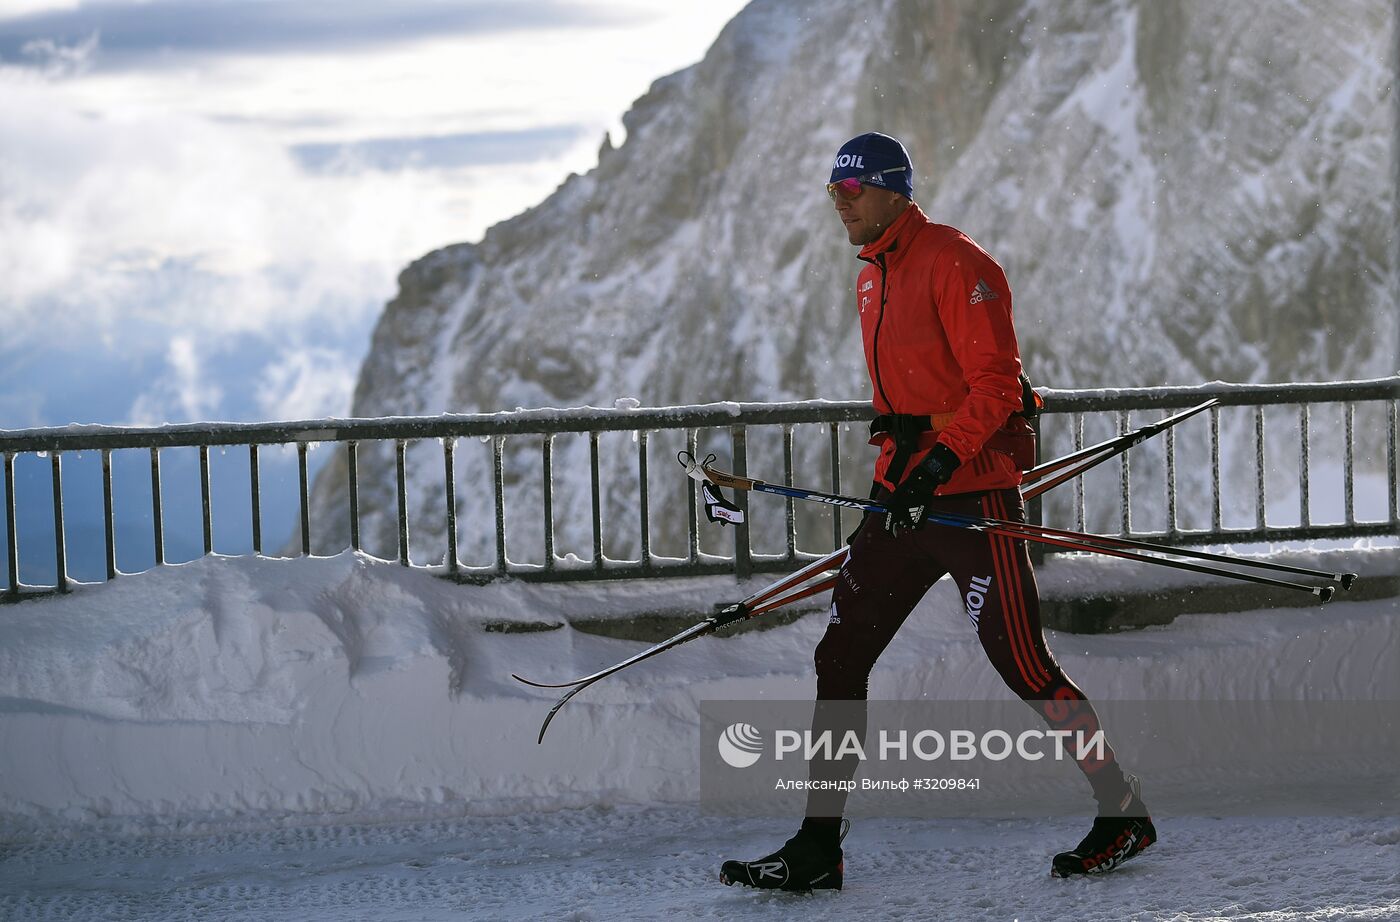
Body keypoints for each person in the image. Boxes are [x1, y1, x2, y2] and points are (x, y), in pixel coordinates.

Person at [720, 132, 1155, 891]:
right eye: (832, 191)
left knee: (1022, 662)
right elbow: (908, 398)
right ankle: (819, 847)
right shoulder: (871, 276)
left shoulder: (958, 262)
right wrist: (906, 473)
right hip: (903, 498)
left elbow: (996, 384)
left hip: (971, 495)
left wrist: (944, 462)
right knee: (840, 655)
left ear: (892, 190)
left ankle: (1123, 812)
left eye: (850, 190)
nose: (839, 203)